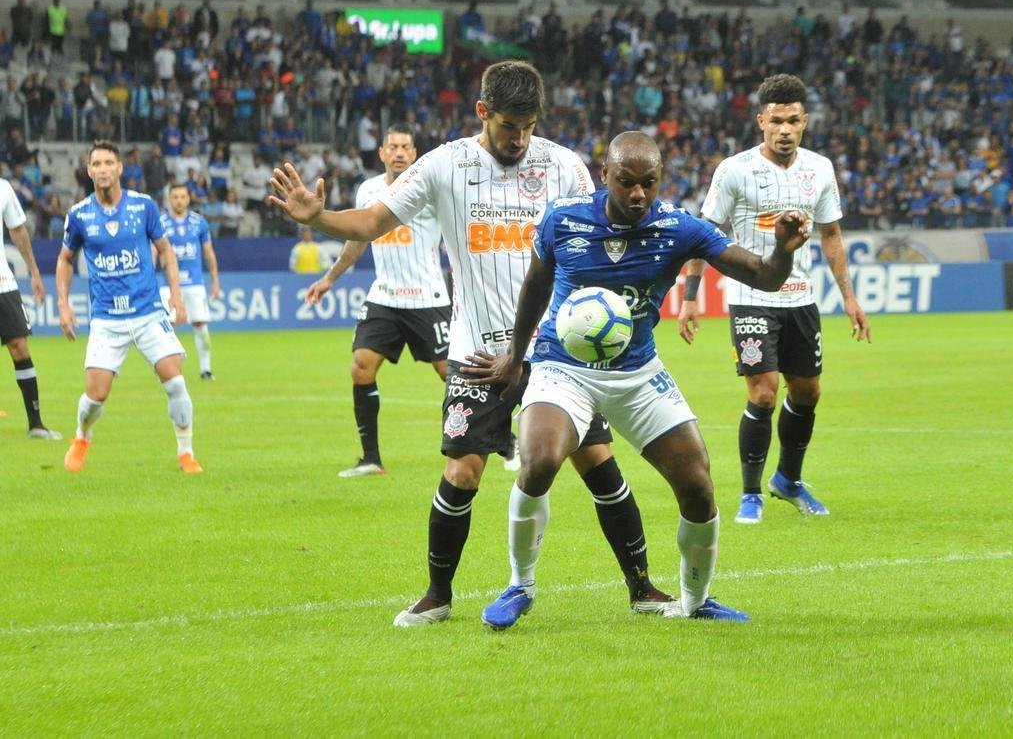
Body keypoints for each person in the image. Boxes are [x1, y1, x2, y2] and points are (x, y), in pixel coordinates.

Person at [269, 60, 674, 627]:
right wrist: (319, 218)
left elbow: (605, 227)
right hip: (478, 353)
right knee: (463, 472)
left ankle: (642, 587)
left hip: (556, 352)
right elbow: (369, 223)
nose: (520, 139)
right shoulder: (444, 166)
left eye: (529, 126)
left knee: (598, 463)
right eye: (510, 126)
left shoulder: (563, 166)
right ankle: (438, 594)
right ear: (482, 112)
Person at [464, 132, 812, 627]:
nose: (637, 195)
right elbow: (536, 286)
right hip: (564, 368)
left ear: (660, 180)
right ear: (605, 175)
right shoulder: (563, 219)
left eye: (648, 183)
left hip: (637, 372)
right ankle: (520, 585)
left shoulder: (680, 228)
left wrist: (783, 250)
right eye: (626, 183)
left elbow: (763, 275)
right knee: (539, 460)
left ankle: (697, 601)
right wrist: (516, 358)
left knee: (698, 485)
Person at [678, 74, 872, 524]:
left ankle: (788, 479)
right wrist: (690, 298)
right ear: (761, 120)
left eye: (794, 121)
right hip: (750, 296)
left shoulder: (820, 169)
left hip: (801, 299)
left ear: (805, 123)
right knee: (763, 394)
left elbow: (831, 235)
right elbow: (705, 234)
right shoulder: (734, 170)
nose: (785, 129)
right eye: (777, 120)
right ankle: (750, 493)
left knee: (808, 392)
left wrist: (850, 297)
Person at [304, 126, 452, 478]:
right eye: (393, 147)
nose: (399, 152)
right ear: (382, 153)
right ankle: (371, 459)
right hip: (384, 296)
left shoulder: (429, 188)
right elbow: (357, 240)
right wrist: (329, 278)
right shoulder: (368, 190)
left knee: (453, 374)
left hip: (427, 296)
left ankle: (504, 441)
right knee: (361, 366)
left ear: (414, 153)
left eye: (405, 147)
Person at [55, 141, 202, 474]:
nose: (104, 168)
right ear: (89, 170)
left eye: (109, 162)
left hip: (149, 311)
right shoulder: (79, 215)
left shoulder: (144, 206)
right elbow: (65, 260)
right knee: (96, 396)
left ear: (120, 168)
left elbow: (165, 250)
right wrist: (63, 305)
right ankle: (82, 436)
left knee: (176, 381)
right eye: (97, 163)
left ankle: (186, 453)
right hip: (107, 318)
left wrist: (175, 295)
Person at [0, 177, 61, 440]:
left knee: (20, 347)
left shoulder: (2, 188)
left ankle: (36, 424)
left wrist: (34, 272)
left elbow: (18, 229)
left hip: (2, 283)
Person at [158, 184, 221, 380]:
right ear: (169, 199)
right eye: (175, 196)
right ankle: (171, 370)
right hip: (168, 285)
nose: (179, 200)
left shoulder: (199, 222)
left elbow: (208, 253)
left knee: (201, 326)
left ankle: (206, 368)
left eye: (182, 196)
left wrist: (215, 281)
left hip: (194, 283)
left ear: (188, 199)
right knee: (167, 327)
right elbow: (153, 252)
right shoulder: (160, 223)